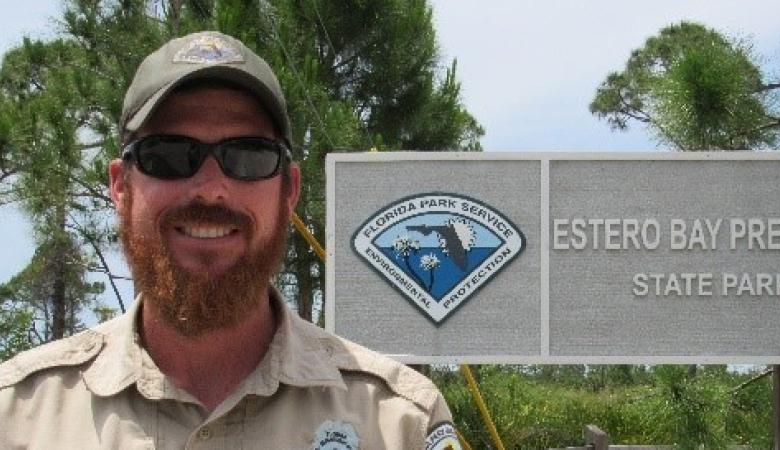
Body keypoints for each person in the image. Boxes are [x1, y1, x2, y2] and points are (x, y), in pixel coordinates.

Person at [0, 31, 461, 450]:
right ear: (121, 187)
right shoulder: (17, 418)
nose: (210, 187)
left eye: (247, 156)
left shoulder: (401, 424)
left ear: (289, 191)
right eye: (170, 155)